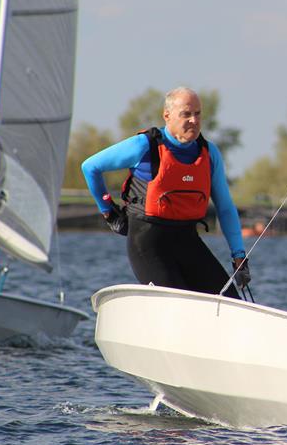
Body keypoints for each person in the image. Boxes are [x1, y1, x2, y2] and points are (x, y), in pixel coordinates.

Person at [81, 86, 250, 298]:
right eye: (186, 114)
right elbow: (90, 167)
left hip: (187, 241)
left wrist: (239, 255)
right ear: (167, 116)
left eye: (197, 114)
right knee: (180, 301)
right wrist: (108, 211)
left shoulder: (209, 154)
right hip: (147, 244)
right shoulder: (144, 146)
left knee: (229, 302)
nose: (194, 120)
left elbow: (225, 208)